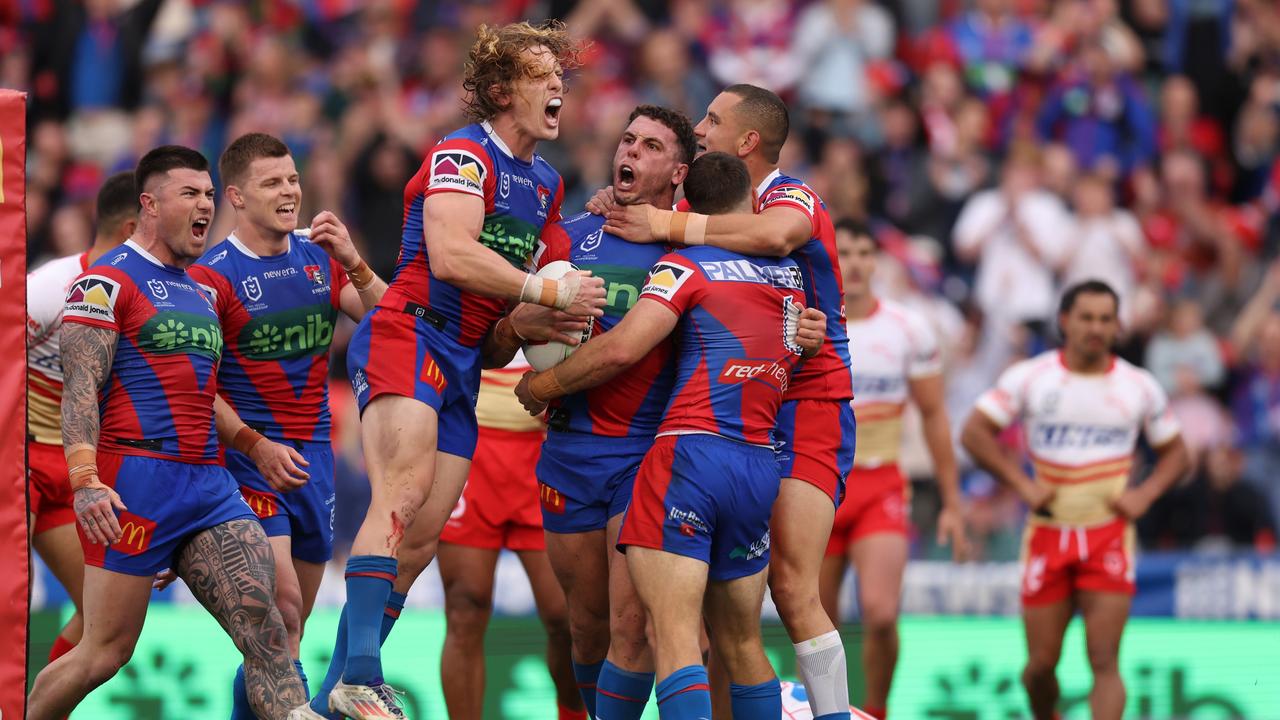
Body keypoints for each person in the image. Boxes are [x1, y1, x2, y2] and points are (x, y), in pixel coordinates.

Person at [318, 21, 606, 720]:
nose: (557, 87)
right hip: (408, 335)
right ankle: (360, 676)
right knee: (403, 496)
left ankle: (336, 691)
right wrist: (543, 293)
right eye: (542, 75)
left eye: (560, 76)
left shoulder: (546, 184)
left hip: (468, 361)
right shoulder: (463, 153)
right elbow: (450, 256)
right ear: (504, 90)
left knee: (416, 544)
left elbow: (516, 330)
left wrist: (542, 311)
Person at [519, 151, 828, 720]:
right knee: (739, 642)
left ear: (685, 191)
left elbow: (620, 348)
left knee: (668, 636)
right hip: (758, 464)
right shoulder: (788, 276)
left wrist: (542, 387)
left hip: (686, 455)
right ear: (749, 205)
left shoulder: (683, 264)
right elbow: (797, 334)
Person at [25, 145, 309, 720]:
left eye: (209, 194)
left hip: (208, 484)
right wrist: (84, 480)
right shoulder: (103, 284)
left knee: (271, 627)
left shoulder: (204, 290)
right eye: (191, 194)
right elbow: (82, 389)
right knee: (105, 653)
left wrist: (251, 443)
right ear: (150, 206)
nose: (205, 205)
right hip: (134, 485)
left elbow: (206, 396)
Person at [602, 84, 856, 719]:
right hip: (737, 414)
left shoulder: (789, 194)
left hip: (807, 401)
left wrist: (662, 222)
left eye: (712, 120)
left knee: (794, 585)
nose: (700, 126)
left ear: (748, 141)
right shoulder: (710, 201)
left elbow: (776, 238)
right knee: (718, 614)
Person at [185, 132, 386, 720]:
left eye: (293, 179)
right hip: (248, 461)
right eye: (272, 182)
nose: (289, 191)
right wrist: (253, 443)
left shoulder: (320, 257)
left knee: (282, 641)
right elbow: (200, 387)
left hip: (313, 460)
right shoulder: (210, 278)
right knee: (284, 608)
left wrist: (354, 259)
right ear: (238, 197)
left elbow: (393, 323)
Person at [533, 104, 697, 720]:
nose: (631, 152)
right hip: (569, 452)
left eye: (651, 146)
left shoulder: (695, 241)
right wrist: (521, 323)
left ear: (679, 172)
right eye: (628, 139)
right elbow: (505, 337)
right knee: (587, 628)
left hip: (648, 455)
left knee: (632, 626)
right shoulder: (572, 238)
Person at [960, 280, 1190, 720]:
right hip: (1048, 533)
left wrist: (1145, 494)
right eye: (1086, 317)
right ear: (1065, 321)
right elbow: (973, 432)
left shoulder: (1138, 386)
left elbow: (1178, 453)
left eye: (1106, 319)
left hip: (1108, 535)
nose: (1096, 328)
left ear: (1118, 325)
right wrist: (1021, 484)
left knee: (1105, 660)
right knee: (1039, 669)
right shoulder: (1031, 376)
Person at [822, 221, 969, 720]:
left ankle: (877, 710)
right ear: (831, 258)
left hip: (881, 482)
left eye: (866, 252)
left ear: (876, 262)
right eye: (846, 252)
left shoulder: (908, 328)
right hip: (818, 486)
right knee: (818, 624)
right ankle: (829, 712)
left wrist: (952, 502)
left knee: (881, 614)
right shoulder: (809, 323)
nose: (858, 262)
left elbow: (934, 416)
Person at [25, 171, 137, 669]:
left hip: (76, 473)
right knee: (9, 599)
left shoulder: (145, 298)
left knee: (99, 619)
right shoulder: (50, 287)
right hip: (18, 460)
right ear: (134, 227)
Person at [436, 357, 586, 720]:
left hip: (545, 447)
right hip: (470, 443)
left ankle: (572, 714)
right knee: (465, 606)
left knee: (568, 618)